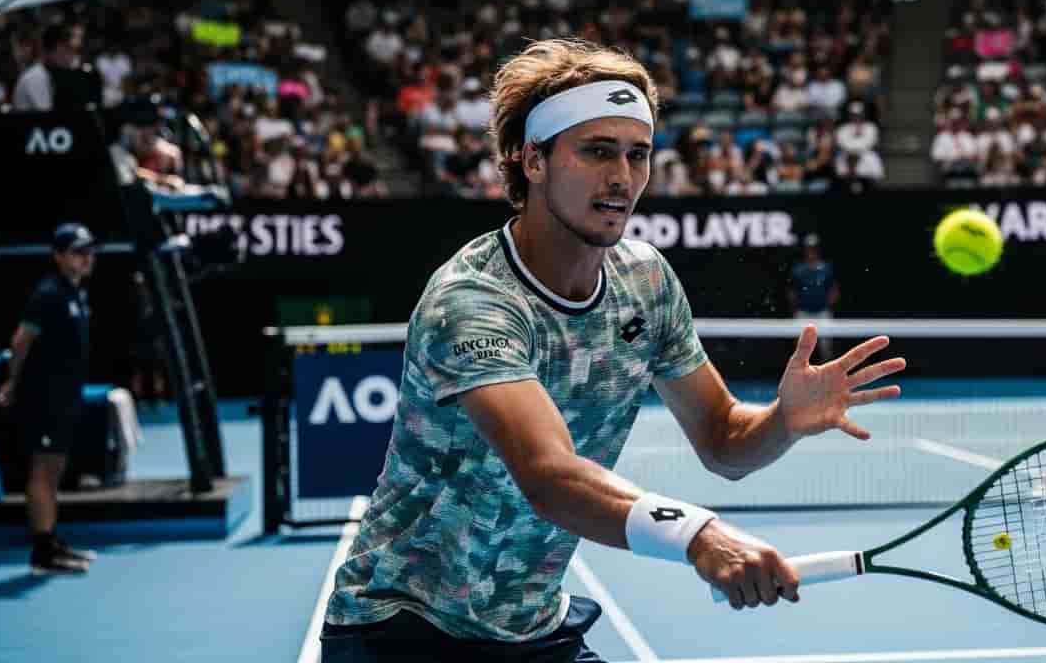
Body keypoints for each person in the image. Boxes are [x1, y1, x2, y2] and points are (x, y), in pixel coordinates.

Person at [321, 39, 905, 661]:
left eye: (637, 153)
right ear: (533, 159)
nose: (622, 177)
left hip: (534, 629)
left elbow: (724, 439)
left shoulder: (645, 282)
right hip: (401, 630)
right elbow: (549, 475)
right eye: (597, 151)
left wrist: (783, 420)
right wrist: (699, 534)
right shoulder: (472, 300)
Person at [0, 223, 101, 575]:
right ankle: (42, 552)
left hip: (64, 396)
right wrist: (12, 381)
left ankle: (51, 541)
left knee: (54, 468)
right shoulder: (49, 293)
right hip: (43, 396)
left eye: (89, 251)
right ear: (58, 256)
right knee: (42, 469)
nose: (86, 258)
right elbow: (21, 340)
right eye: (77, 252)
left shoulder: (75, 292)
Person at [788, 234, 839, 364]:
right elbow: (792, 292)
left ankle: (827, 370)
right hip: (803, 312)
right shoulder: (798, 270)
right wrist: (796, 309)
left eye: (814, 249)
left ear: (817, 250)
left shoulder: (826, 268)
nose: (811, 252)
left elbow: (833, 289)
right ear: (805, 250)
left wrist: (828, 305)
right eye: (809, 249)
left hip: (822, 312)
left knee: (826, 346)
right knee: (800, 347)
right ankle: (800, 371)